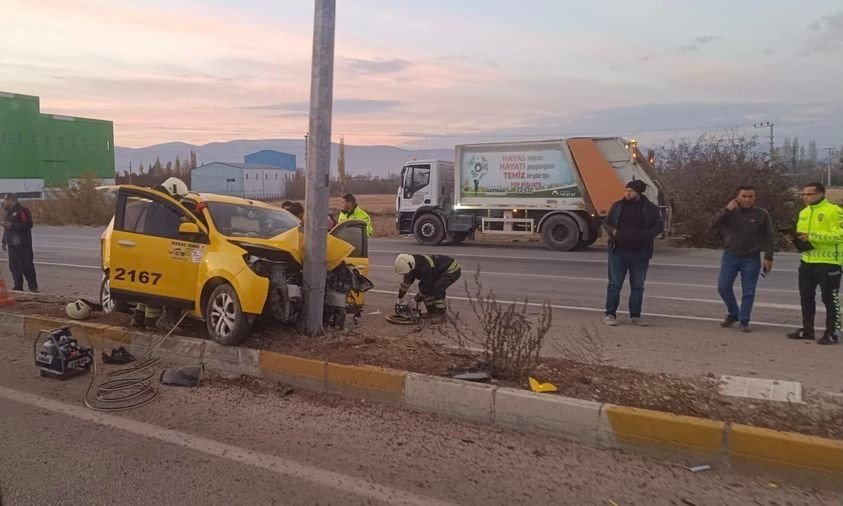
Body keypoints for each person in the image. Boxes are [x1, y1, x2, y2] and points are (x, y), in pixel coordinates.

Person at [711, 186, 775, 333]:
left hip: (751, 257)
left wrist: (769, 256)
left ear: (755, 197)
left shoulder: (761, 214)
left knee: (749, 292)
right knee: (723, 286)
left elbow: (769, 236)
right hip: (730, 255)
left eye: (750, 196)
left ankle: (744, 320)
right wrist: (727, 210)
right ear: (737, 197)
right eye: (744, 196)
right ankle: (734, 313)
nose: (747, 199)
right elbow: (713, 225)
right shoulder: (729, 212)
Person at [786, 182, 842, 345]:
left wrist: (813, 236)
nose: (805, 197)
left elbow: (840, 235)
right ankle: (807, 330)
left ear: (821, 194)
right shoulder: (803, 212)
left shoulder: (834, 211)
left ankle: (832, 333)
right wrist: (794, 240)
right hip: (807, 261)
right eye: (803, 194)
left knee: (830, 298)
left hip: (829, 261)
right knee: (806, 297)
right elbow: (802, 236)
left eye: (809, 194)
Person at [602, 180, 664, 326]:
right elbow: (606, 222)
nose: (627, 193)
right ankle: (610, 314)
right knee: (615, 284)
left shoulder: (650, 208)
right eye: (626, 190)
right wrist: (612, 231)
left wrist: (646, 235)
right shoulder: (618, 206)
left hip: (640, 253)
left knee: (638, 285)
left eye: (631, 191)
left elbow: (659, 225)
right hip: (618, 251)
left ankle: (635, 315)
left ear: (638, 192)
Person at [394, 253, 461, 318]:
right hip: (437, 271)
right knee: (426, 291)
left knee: (437, 288)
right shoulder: (410, 265)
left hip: (452, 269)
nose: (407, 274)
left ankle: (441, 314)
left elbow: (426, 288)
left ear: (411, 266)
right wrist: (400, 297)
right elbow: (406, 282)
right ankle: (432, 312)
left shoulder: (424, 267)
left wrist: (415, 300)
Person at [2, 193, 38, 292]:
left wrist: (13, 225)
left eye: (5, 199)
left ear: (12, 200)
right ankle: (18, 286)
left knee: (26, 265)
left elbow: (28, 224)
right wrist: (4, 241)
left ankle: (33, 287)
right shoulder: (8, 212)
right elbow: (7, 228)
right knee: (14, 266)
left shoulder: (22, 211)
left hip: (23, 244)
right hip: (12, 244)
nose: (4, 201)